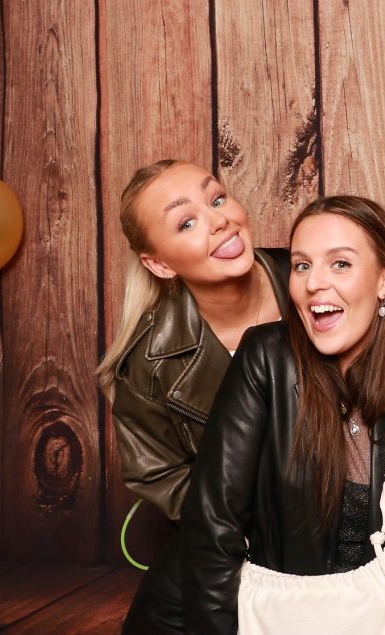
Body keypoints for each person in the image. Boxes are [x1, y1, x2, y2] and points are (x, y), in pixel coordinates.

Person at [180, 196, 385, 635]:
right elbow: (212, 528)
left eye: (340, 264)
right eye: (301, 265)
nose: (314, 283)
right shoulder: (266, 358)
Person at [95, 159, 289, 634]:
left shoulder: (311, 280)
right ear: (159, 264)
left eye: (217, 198)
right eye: (186, 222)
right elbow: (160, 474)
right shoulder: (148, 364)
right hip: (233, 541)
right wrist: (245, 526)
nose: (219, 219)